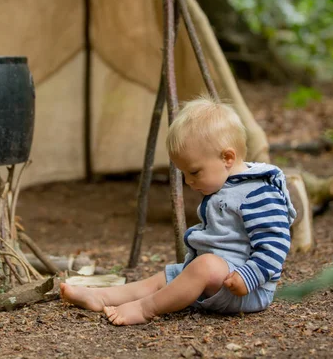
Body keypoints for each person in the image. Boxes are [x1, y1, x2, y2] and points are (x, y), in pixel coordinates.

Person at [60, 94, 297, 325]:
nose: (188, 181)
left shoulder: (258, 192)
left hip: (247, 290)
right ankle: (101, 296)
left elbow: (275, 243)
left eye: (194, 172)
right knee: (162, 279)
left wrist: (248, 277)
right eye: (183, 173)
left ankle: (145, 309)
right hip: (215, 277)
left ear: (227, 157)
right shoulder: (226, 183)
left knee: (203, 266)